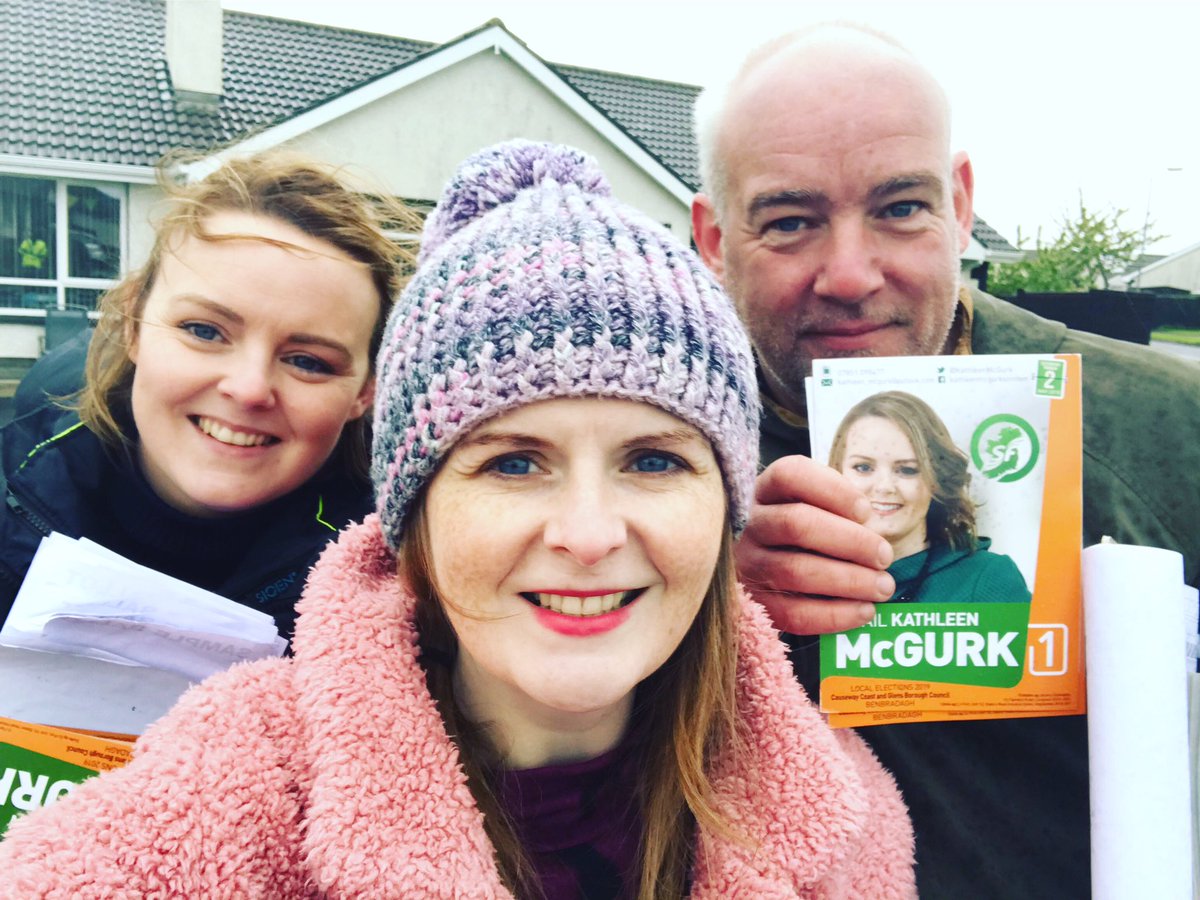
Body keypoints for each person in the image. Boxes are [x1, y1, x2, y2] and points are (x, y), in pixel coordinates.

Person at [0, 141, 916, 898]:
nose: (590, 533)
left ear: (727, 506)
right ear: (410, 518)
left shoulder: (841, 808)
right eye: (514, 462)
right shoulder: (243, 787)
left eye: (655, 462)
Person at [690, 23, 1200, 899]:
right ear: (713, 238)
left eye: (898, 208)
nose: (849, 274)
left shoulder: (1158, 426)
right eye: (790, 221)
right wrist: (704, 601)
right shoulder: (652, 459)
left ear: (960, 205)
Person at [0, 151, 418, 640]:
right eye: (203, 330)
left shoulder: (408, 586)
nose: (248, 389)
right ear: (133, 324)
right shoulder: (17, 489)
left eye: (308, 361)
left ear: (365, 392)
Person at [829, 391, 1030, 603]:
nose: (885, 487)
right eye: (863, 467)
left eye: (907, 470)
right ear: (836, 472)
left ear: (935, 480)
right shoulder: (808, 577)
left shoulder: (989, 578)